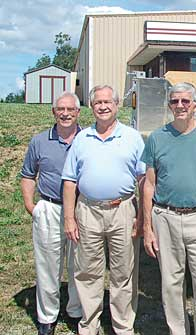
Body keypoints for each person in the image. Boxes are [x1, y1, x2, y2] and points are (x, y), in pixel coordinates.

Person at [142, 82, 196, 335]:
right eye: (174, 101)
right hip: (165, 218)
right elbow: (149, 184)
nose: (179, 105)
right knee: (171, 285)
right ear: (169, 105)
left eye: (185, 101)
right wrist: (147, 228)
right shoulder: (157, 138)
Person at [62, 85, 145, 335]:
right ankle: (89, 324)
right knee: (88, 271)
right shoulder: (81, 138)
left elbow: (144, 180)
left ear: (117, 105)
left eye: (108, 102)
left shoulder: (132, 137)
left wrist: (143, 217)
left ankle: (123, 325)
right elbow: (69, 180)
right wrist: (69, 218)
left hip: (123, 210)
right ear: (91, 107)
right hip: (87, 211)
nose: (103, 106)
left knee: (124, 271)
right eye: (98, 102)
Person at [21, 91, 83, 335]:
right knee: (48, 265)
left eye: (70, 109)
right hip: (49, 207)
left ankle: (77, 312)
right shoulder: (39, 141)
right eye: (61, 109)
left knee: (79, 264)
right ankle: (47, 316)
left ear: (78, 112)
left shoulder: (88, 138)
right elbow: (28, 175)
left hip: (80, 209)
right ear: (54, 112)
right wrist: (31, 206)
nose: (65, 114)